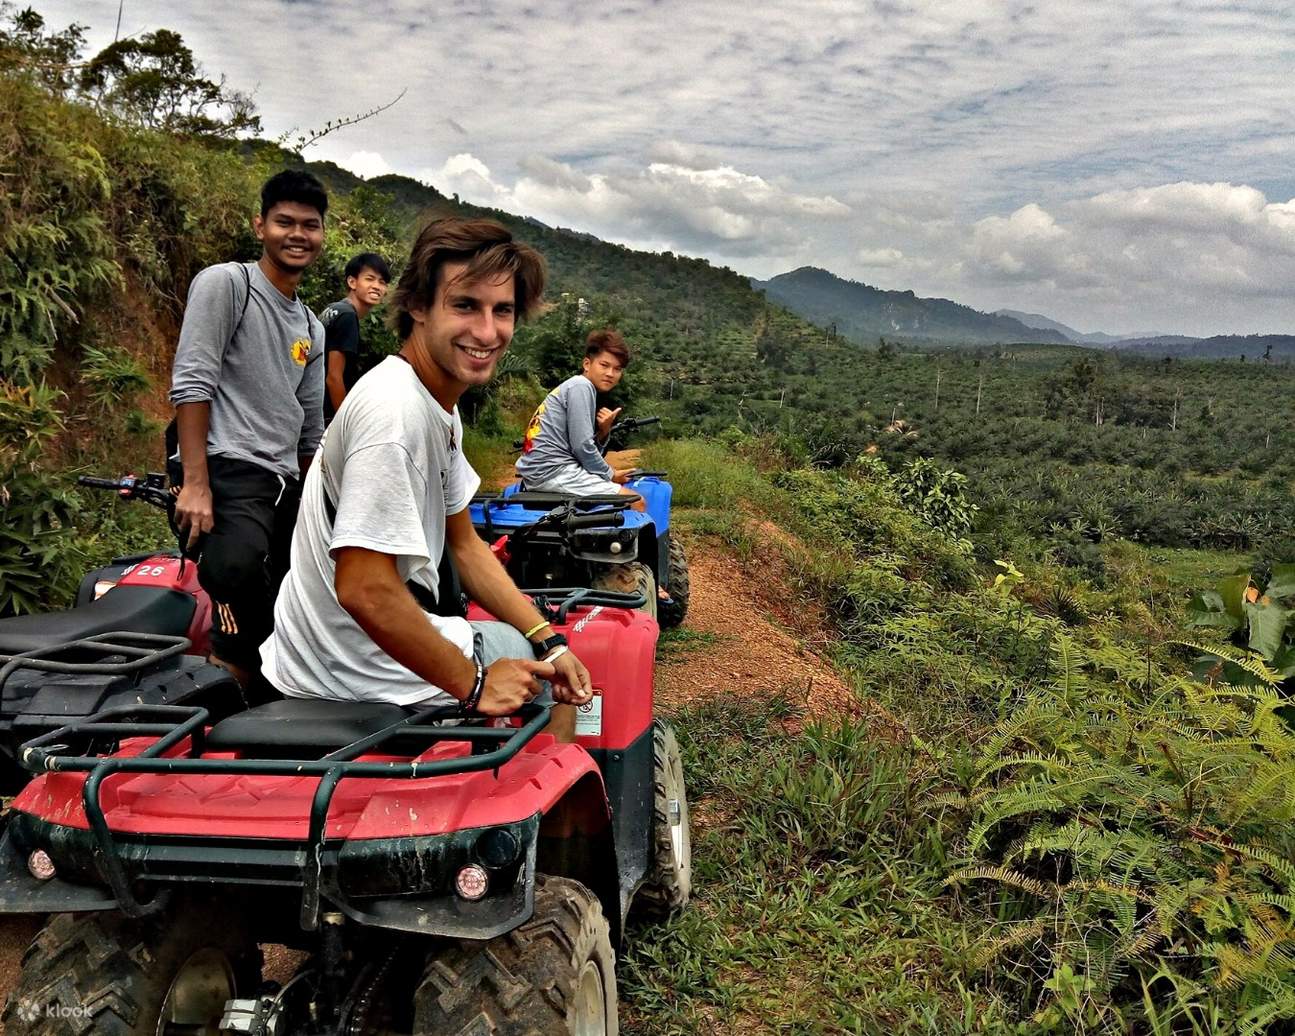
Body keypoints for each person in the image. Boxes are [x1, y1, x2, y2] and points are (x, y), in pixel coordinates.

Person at [260, 217, 593, 738]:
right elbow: (364, 588)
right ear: (417, 306)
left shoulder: (433, 400)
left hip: (334, 649)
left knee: (543, 651)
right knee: (553, 682)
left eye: (501, 310)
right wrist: (477, 682)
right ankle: (545, 819)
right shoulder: (396, 415)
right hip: (355, 669)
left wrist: (546, 634)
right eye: (465, 306)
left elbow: (464, 544)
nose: (487, 332)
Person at [168, 169, 328, 688]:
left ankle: (280, 697)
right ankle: (231, 683)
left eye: (310, 224)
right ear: (260, 225)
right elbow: (193, 380)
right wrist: (194, 483)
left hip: (281, 480)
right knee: (233, 569)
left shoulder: (311, 326)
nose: (297, 234)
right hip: (226, 467)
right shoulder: (228, 284)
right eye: (285, 221)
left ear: (323, 235)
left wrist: (320, 503)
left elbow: (310, 425)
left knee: (297, 593)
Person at [514, 329, 644, 511]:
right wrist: (610, 474)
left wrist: (604, 431)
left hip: (546, 471)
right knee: (636, 500)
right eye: (604, 365)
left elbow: (582, 451)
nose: (610, 373)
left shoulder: (575, 387)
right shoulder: (581, 386)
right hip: (553, 472)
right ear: (587, 364)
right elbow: (582, 447)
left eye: (617, 369)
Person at [321, 252, 391, 423]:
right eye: (370, 279)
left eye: (382, 282)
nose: (377, 286)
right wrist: (344, 424)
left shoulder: (334, 309)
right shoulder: (347, 317)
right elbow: (333, 377)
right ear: (352, 282)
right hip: (323, 416)